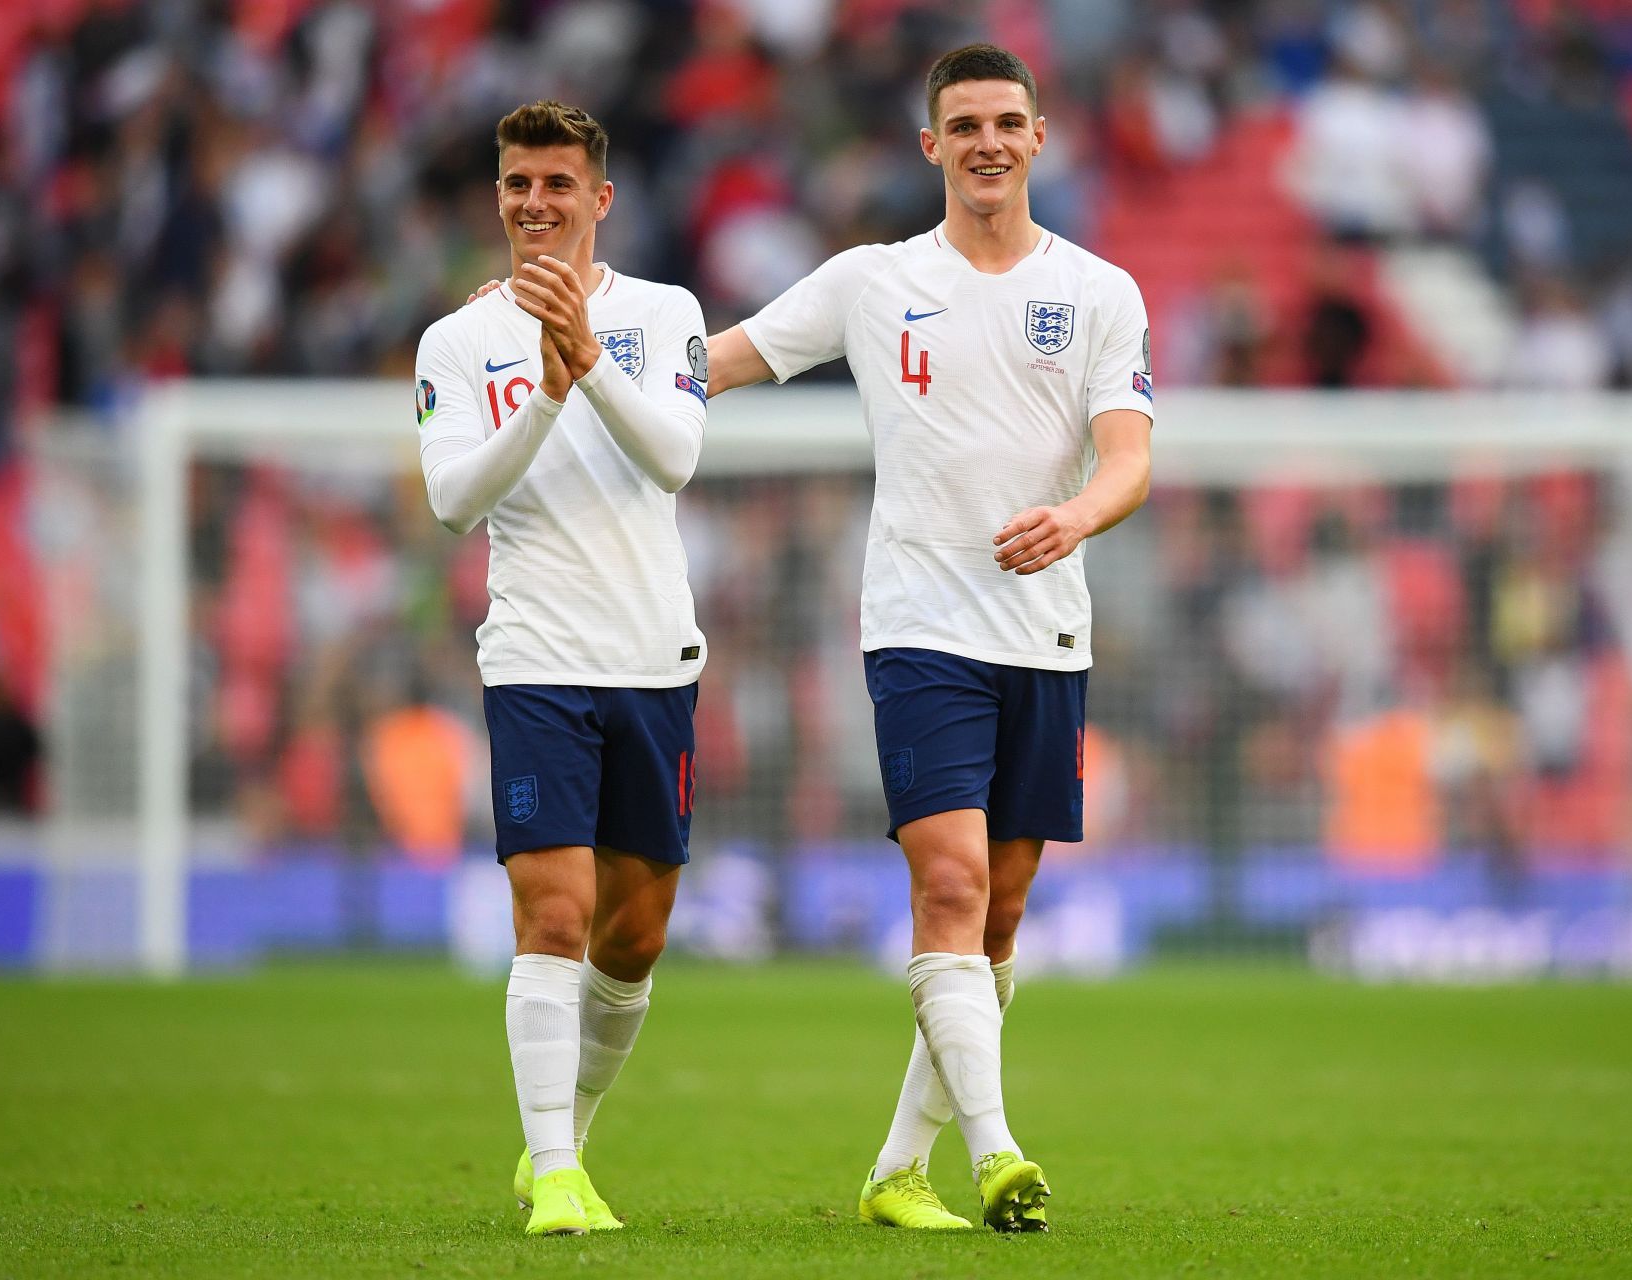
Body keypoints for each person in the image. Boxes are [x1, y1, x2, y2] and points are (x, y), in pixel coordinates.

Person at [708, 44, 1156, 1232]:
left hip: (1047, 632)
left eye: (1007, 121)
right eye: (964, 125)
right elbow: (726, 361)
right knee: (948, 882)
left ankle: (898, 1165)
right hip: (919, 628)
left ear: (1040, 137)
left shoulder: (1101, 291)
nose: (988, 142)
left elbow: (1129, 458)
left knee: (997, 919)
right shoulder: (872, 280)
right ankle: (1000, 1151)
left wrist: (1073, 516)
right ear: (931, 146)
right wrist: (597, 368)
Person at [414, 100, 710, 1238]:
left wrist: (585, 363)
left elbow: (675, 456)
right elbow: (451, 502)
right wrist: (543, 389)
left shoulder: (664, 312)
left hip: (652, 655)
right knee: (553, 910)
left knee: (632, 937)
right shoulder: (458, 339)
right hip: (535, 655)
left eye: (556, 184)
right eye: (517, 185)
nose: (535, 203)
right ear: (499, 198)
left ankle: (562, 1144)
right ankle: (557, 1174)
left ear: (601, 199)